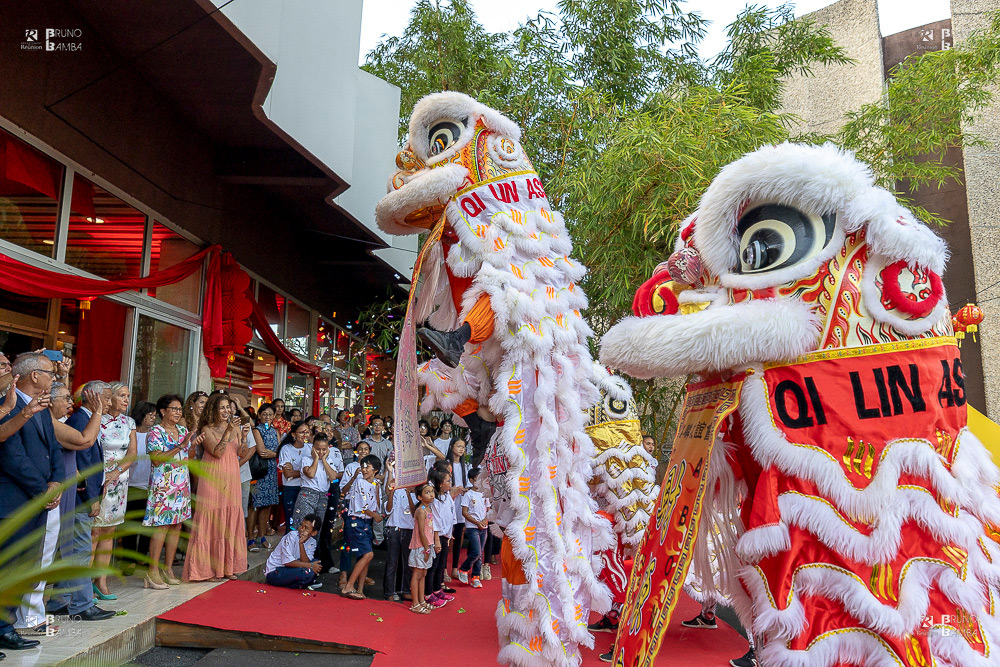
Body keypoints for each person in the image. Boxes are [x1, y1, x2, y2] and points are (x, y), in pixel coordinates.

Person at [0, 353, 61, 651]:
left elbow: (54, 449)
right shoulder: (7, 405)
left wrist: (58, 480)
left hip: (38, 499)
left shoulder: (42, 405)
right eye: (51, 372)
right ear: (34, 375)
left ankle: (5, 626)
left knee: (24, 566)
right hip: (13, 499)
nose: (55, 377)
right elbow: (13, 457)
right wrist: (42, 489)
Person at [46, 381, 113, 624]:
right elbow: (82, 462)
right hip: (78, 497)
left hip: (78, 495)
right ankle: (82, 604)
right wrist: (90, 497)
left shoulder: (82, 418)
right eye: (106, 398)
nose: (109, 403)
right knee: (81, 550)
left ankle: (58, 601)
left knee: (71, 550)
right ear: (91, 396)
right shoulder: (79, 420)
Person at [183, 393, 249, 582]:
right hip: (213, 478)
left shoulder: (234, 429)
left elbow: (240, 453)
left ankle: (227, 567)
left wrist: (243, 437)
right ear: (213, 409)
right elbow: (218, 452)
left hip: (231, 478)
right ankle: (207, 570)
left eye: (228, 407)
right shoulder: (206, 429)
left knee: (229, 520)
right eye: (222, 408)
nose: (226, 411)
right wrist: (228, 431)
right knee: (211, 521)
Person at [144, 394, 201, 588]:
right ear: (163, 411)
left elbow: (187, 456)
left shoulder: (183, 430)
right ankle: (151, 571)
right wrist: (180, 446)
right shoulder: (155, 432)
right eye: (174, 409)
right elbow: (157, 459)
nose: (177, 412)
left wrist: (192, 445)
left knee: (176, 525)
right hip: (163, 486)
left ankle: (167, 568)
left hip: (181, 485)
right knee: (162, 526)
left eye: (179, 409)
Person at [91, 381, 137, 600]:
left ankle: (101, 580)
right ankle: (84, 583)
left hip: (119, 481)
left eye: (128, 396)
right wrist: (104, 475)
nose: (126, 399)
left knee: (110, 530)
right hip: (98, 480)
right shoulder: (97, 418)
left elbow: (132, 453)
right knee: (94, 531)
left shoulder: (129, 422)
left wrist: (116, 472)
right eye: (121, 395)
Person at [120, 400, 156, 576]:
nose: (153, 418)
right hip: (131, 485)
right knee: (130, 525)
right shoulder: (131, 434)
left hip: (149, 486)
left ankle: (142, 556)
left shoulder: (154, 435)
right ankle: (128, 560)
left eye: (155, 416)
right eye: (150, 415)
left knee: (147, 524)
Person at [340, 454, 383, 599]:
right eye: (363, 466)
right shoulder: (359, 482)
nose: (364, 470)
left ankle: (360, 590)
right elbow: (362, 506)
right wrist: (375, 515)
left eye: (367, 467)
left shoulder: (375, 483)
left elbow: (376, 504)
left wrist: (377, 488)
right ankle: (348, 586)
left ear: (375, 470)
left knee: (366, 555)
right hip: (356, 521)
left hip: (366, 522)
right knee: (368, 554)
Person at [293, 434, 342, 530]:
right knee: (305, 527)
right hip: (307, 496)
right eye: (318, 449)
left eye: (324, 449)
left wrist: (324, 460)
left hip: (323, 497)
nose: (321, 452)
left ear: (328, 449)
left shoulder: (329, 461)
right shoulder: (306, 460)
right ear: (313, 448)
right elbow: (310, 474)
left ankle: (314, 545)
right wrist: (316, 459)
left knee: (316, 529)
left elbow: (333, 477)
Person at [248, 402, 280, 550]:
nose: (267, 417)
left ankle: (262, 536)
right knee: (255, 505)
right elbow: (262, 452)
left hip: (272, 471)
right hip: (259, 471)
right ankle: (250, 538)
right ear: (259, 415)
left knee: (267, 506)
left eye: (270, 414)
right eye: (264, 414)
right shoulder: (256, 430)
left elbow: (279, 451)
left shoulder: (275, 431)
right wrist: (275, 454)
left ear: (274, 416)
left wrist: (273, 454)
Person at [382, 462, 415, 602]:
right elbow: (388, 510)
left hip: (408, 530)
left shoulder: (413, 493)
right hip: (393, 529)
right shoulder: (394, 491)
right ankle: (389, 592)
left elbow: (414, 513)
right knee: (392, 563)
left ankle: (405, 590)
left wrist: (409, 493)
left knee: (408, 563)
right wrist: (392, 492)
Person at [264, 513, 323, 590]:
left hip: (290, 569)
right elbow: (288, 562)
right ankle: (292, 587)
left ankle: (294, 584)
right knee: (308, 571)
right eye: (301, 525)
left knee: (316, 563)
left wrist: (301, 544)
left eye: (306, 528)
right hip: (275, 571)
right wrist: (311, 566)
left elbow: (306, 562)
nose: (302, 529)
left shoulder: (312, 542)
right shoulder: (291, 536)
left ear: (314, 532)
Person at [425, 466, 455, 607]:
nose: (450, 483)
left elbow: (451, 513)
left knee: (442, 564)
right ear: (439, 484)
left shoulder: (447, 496)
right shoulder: (434, 500)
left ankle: (437, 589)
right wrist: (437, 539)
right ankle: (428, 593)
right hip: (437, 536)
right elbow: (435, 520)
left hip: (446, 534)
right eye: (448, 481)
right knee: (433, 565)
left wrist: (450, 533)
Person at [457, 467, 489, 588]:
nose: (479, 482)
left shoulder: (485, 493)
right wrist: (477, 522)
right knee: (476, 552)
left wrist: (484, 521)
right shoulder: (469, 494)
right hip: (472, 527)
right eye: (477, 480)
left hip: (483, 527)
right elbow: (464, 512)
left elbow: (488, 510)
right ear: (471, 480)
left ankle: (475, 577)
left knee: (480, 553)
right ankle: (464, 569)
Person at [408, 480, 437, 614]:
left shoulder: (428, 509)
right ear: (420, 497)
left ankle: (422, 600)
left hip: (427, 545)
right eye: (427, 492)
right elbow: (420, 531)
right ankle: (415, 603)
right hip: (421, 546)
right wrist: (426, 549)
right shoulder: (420, 511)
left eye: (432, 491)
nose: (431, 494)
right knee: (417, 573)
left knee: (423, 573)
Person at [277, 419, 310, 535]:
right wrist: (306, 471)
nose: (304, 435)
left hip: (307, 489)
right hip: (290, 488)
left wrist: (295, 471)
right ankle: (289, 549)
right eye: (301, 432)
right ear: (293, 434)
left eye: (307, 432)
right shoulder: (286, 449)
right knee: (291, 521)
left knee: (305, 522)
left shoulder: (311, 449)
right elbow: (287, 474)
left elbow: (313, 472)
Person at [446, 438, 471, 581]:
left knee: (458, 533)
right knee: (446, 536)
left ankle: (455, 568)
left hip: (460, 502)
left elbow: (466, 484)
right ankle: (443, 570)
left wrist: (464, 490)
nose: (461, 449)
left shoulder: (464, 466)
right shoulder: (446, 464)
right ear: (451, 447)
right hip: (449, 503)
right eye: (458, 446)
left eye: (463, 447)